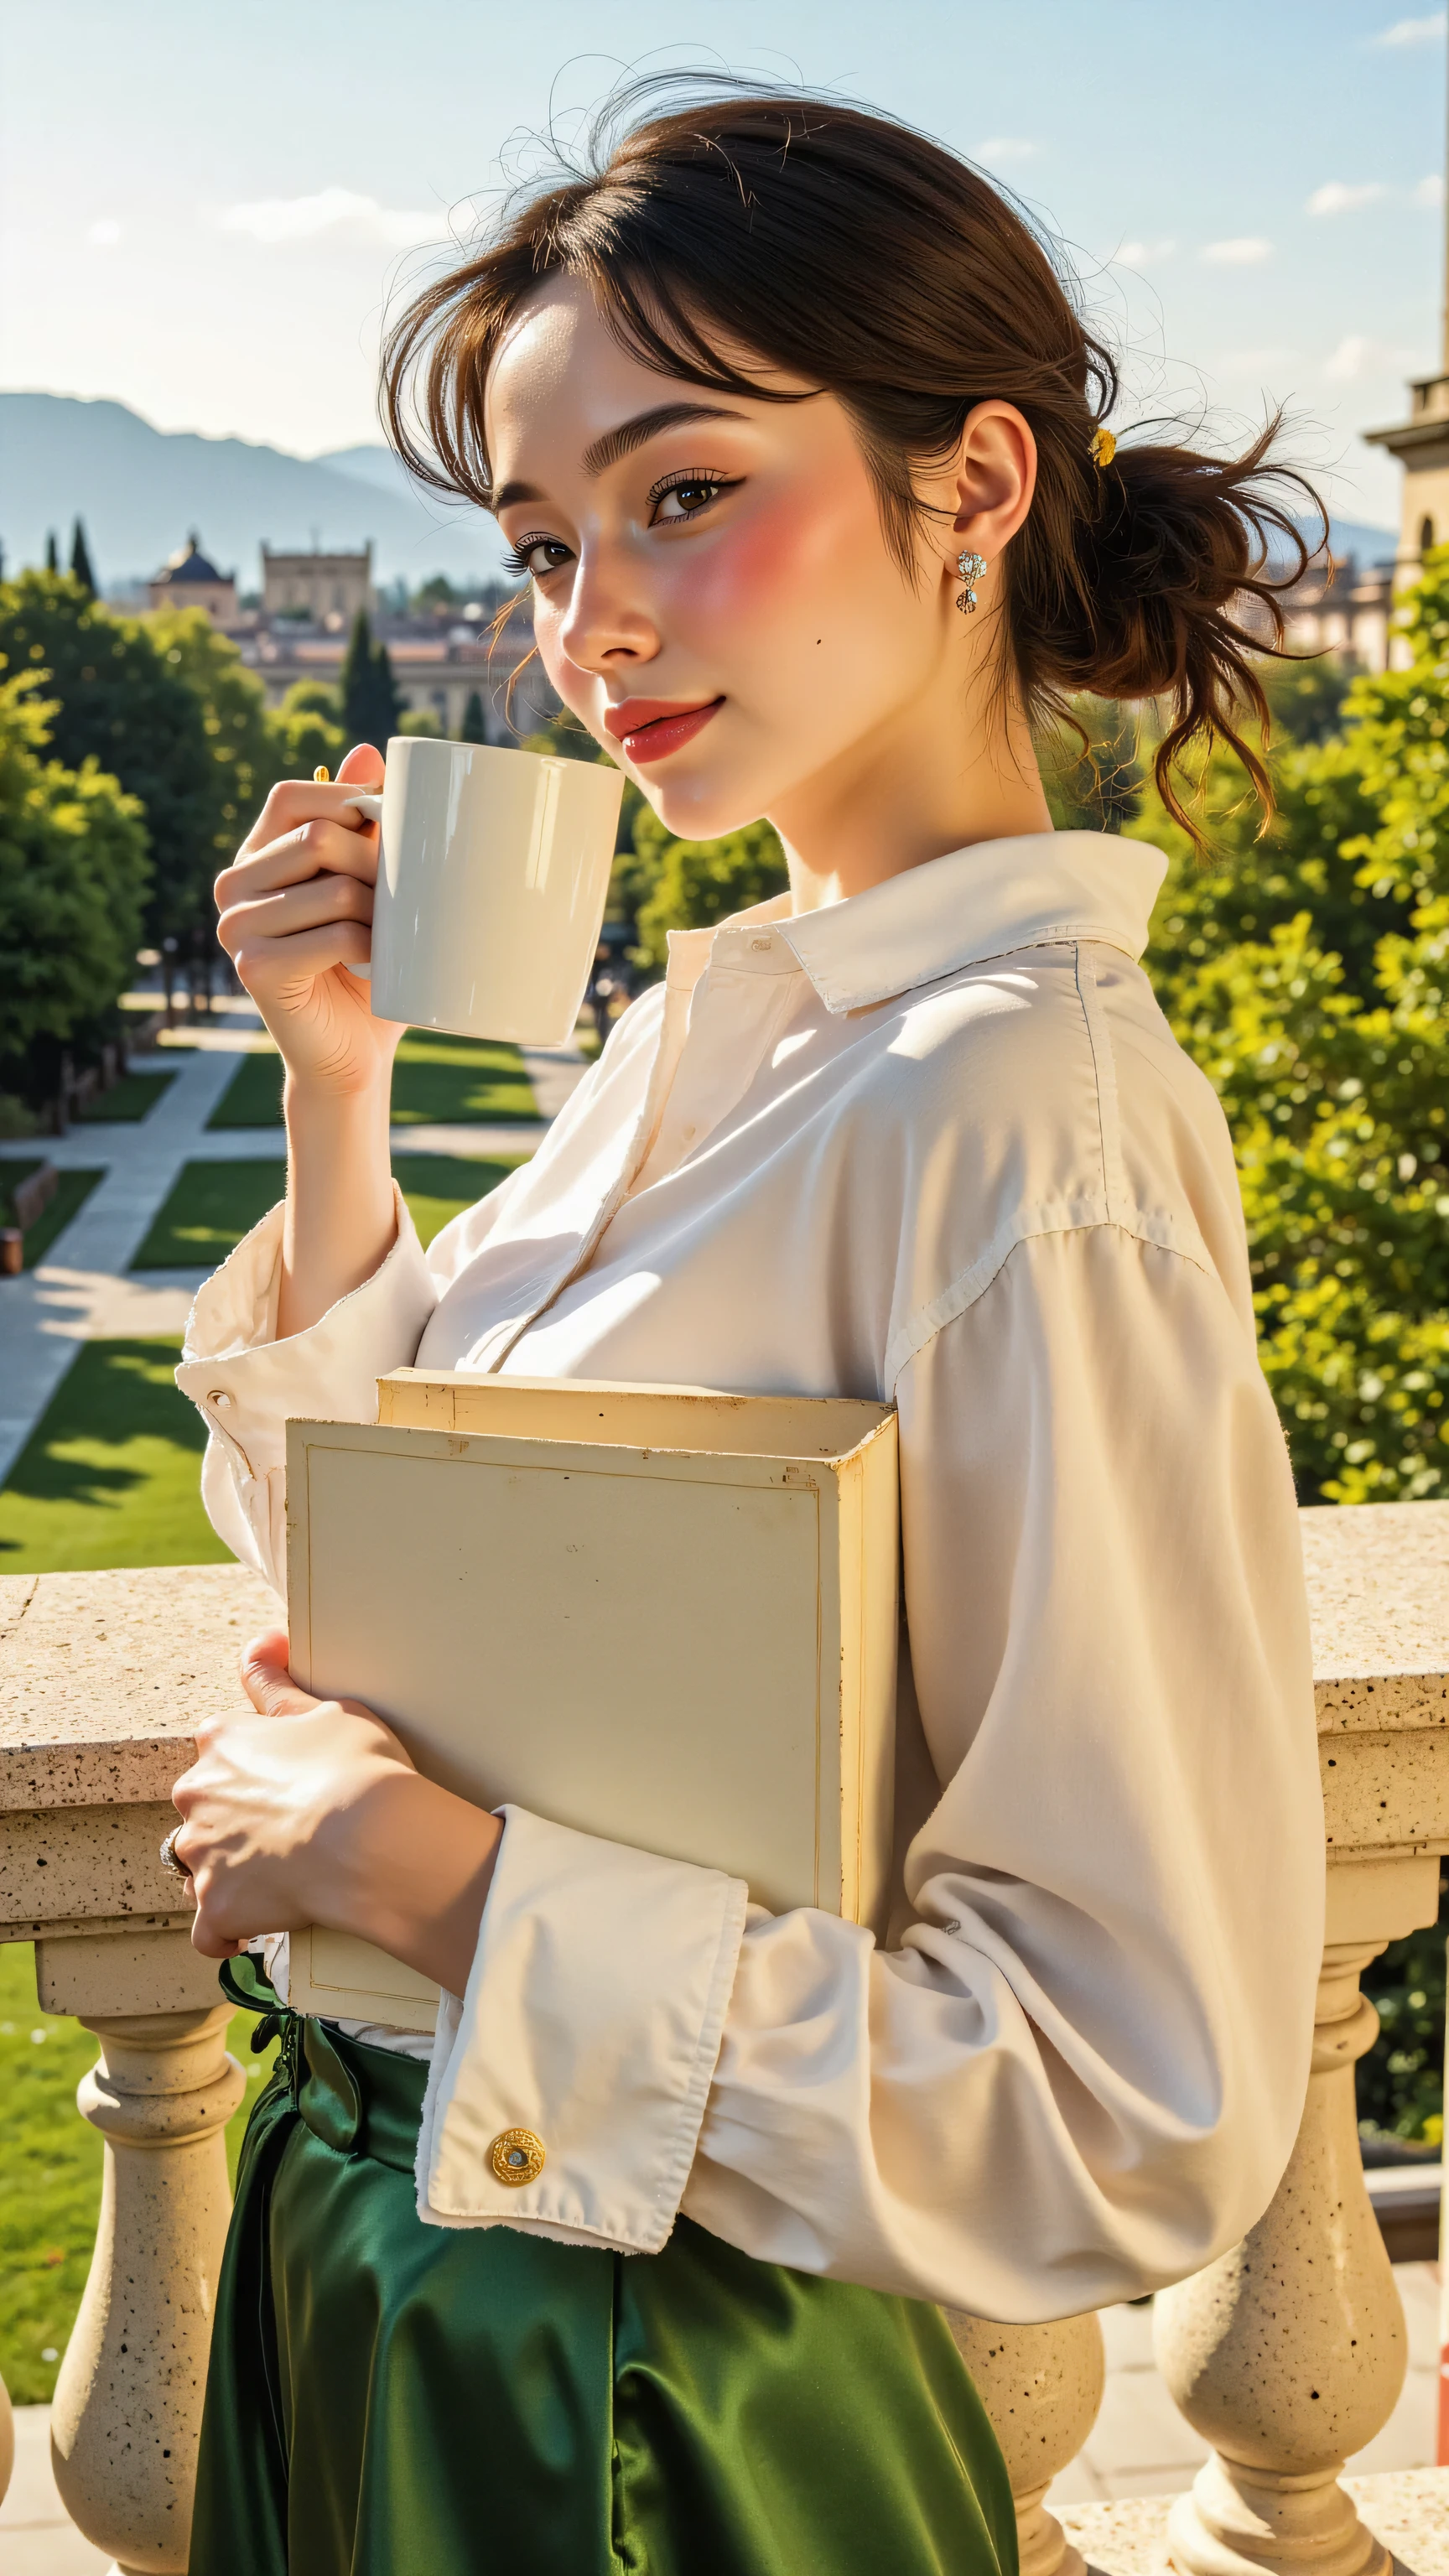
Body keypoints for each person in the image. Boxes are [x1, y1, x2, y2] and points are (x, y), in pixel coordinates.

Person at [169, 84, 1325, 2576]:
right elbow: (370, 1561)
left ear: (975, 484)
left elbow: (1128, 2095)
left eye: (685, 493)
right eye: (543, 538)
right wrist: (336, 1098)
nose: (587, 625)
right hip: (393, 2305)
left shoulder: (1027, 1118)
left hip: (641, 2425)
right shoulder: (738, 1042)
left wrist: (443, 1881)